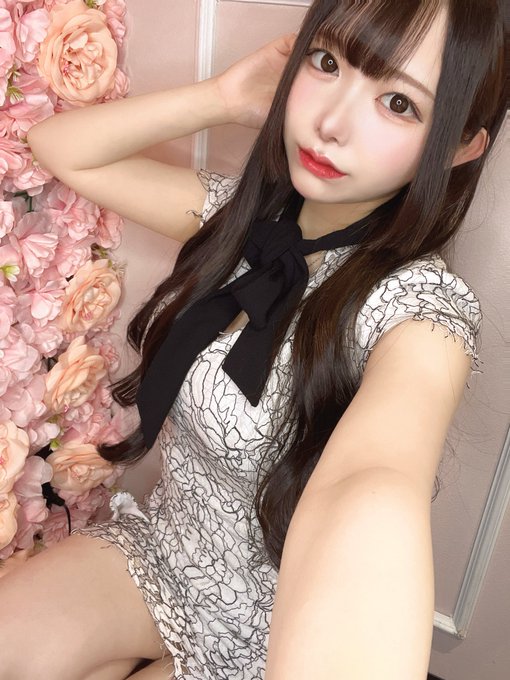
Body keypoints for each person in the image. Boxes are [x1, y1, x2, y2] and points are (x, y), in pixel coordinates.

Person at [2, 0, 507, 678]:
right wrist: (222, 97)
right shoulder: (237, 223)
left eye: (398, 103)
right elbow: (59, 147)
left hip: (271, 629)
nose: (331, 124)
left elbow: (375, 481)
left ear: (460, 147)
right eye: (327, 62)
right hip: (163, 553)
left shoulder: (420, 312)